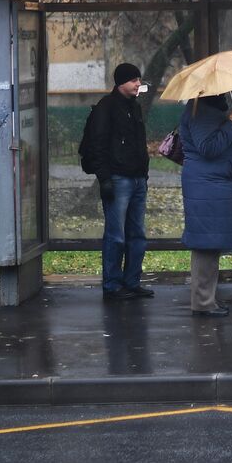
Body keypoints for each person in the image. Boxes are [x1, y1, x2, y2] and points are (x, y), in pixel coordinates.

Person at [87, 62, 153, 301]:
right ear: (121, 82)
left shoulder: (134, 108)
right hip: (118, 179)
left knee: (137, 234)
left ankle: (132, 281)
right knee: (116, 235)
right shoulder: (106, 108)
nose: (138, 84)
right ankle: (112, 285)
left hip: (137, 179)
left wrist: (143, 175)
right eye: (134, 80)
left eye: (139, 80)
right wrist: (105, 179)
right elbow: (99, 145)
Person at [178, 93, 232, 317]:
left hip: (211, 184)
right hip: (206, 185)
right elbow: (208, 147)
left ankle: (208, 299)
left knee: (211, 243)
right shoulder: (200, 111)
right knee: (206, 244)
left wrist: (228, 123)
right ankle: (203, 302)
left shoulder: (206, 109)